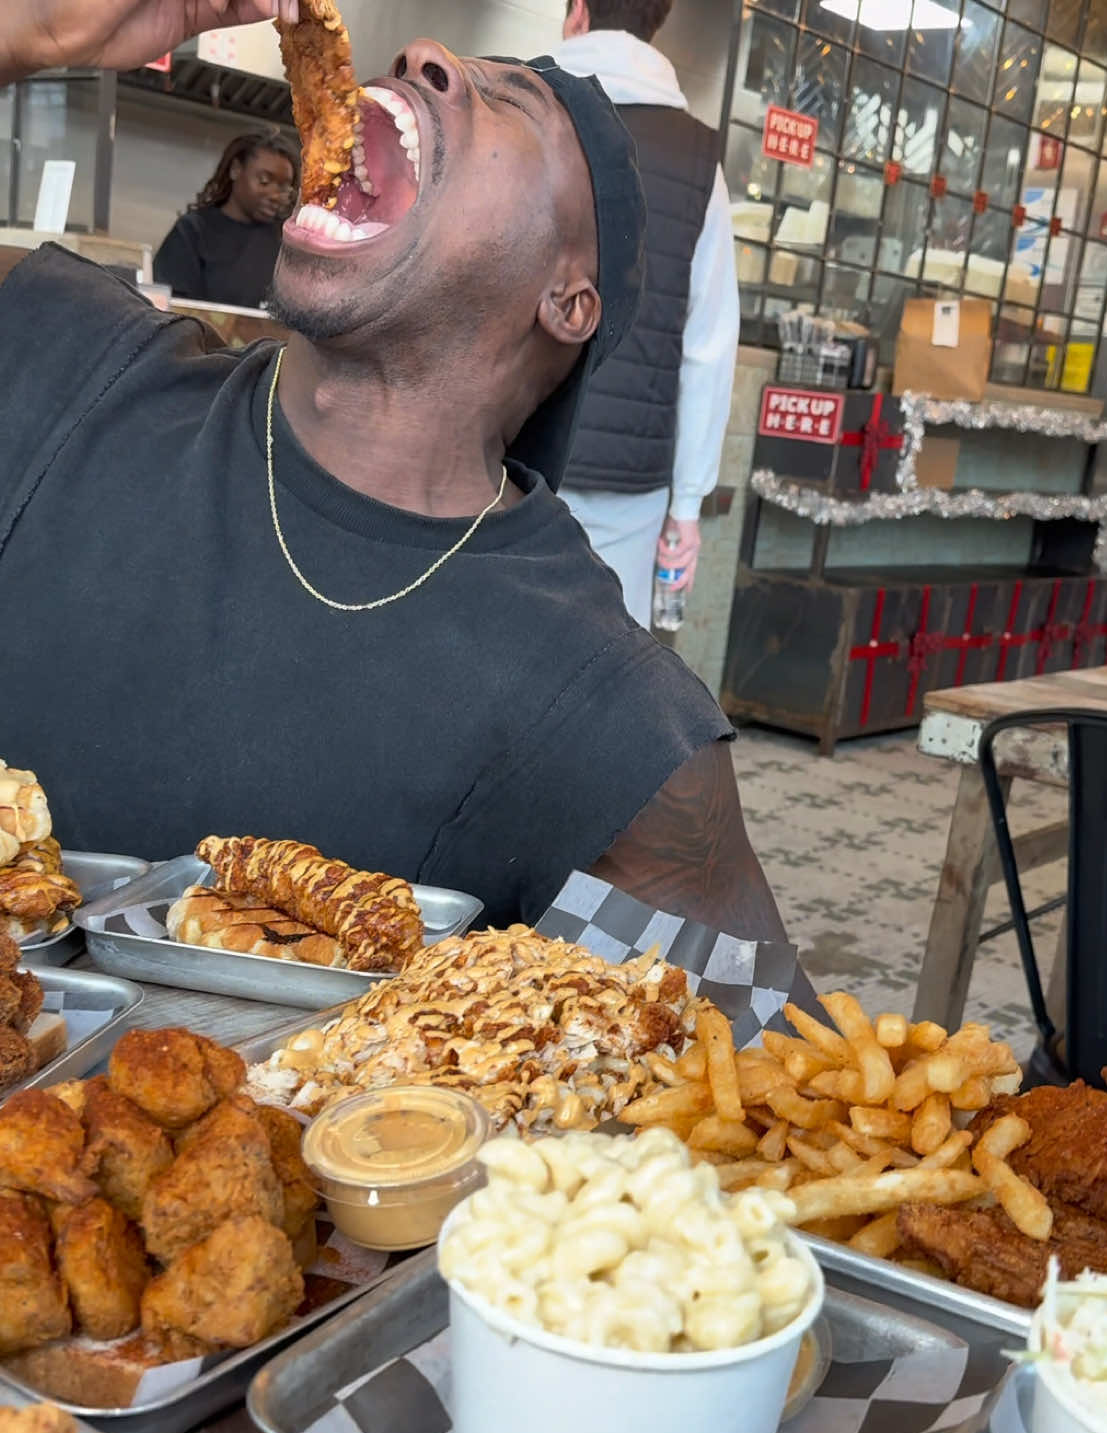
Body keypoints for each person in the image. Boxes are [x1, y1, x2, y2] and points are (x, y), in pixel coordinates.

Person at [0, 0, 784, 946]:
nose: (425, 56)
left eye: (513, 102)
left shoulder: (607, 715)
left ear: (568, 300)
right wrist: (24, 35)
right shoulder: (71, 360)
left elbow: (753, 1066)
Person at [554, 0, 740, 628]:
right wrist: (686, 506)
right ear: (656, 21)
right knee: (603, 668)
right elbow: (709, 340)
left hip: (497, 448)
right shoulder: (696, 157)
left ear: (577, 11)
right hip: (628, 486)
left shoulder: (509, 105)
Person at [154, 128, 299, 308]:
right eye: (264, 181)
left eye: (284, 187)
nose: (275, 195)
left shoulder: (285, 243)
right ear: (236, 170)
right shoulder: (193, 231)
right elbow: (171, 308)